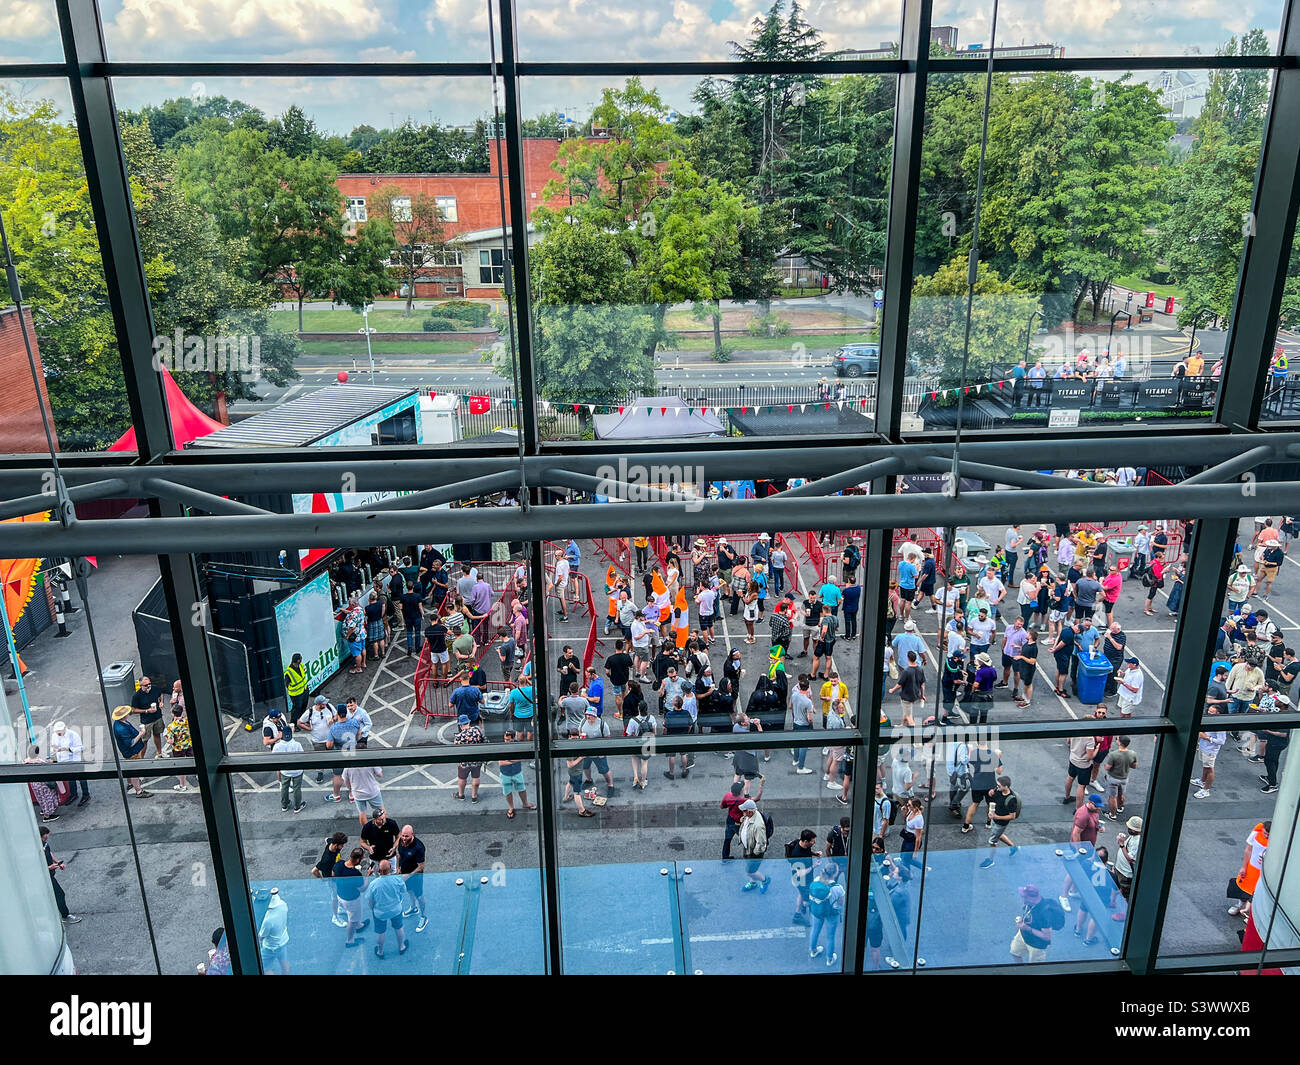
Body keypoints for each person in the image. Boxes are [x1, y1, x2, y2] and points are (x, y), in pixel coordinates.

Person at [1228, 820, 1270, 921]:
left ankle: (1253, 912)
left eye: (1269, 834)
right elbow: (1248, 850)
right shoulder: (1256, 834)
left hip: (1264, 871)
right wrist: (1244, 867)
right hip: (1252, 866)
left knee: (1258, 892)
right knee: (1244, 887)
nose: (1266, 836)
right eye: (1265, 833)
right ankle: (1240, 905)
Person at [367, 860, 409, 959]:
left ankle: (380, 951)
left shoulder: (373, 884)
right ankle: (401, 946)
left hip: (380, 912)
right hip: (395, 909)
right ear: (390, 869)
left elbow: (370, 901)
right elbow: (404, 890)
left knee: (380, 932)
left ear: (379, 871)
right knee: (398, 927)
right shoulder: (397, 879)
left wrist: (373, 908)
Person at [1010, 884, 1061, 964]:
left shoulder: (1044, 913)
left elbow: (1047, 937)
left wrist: (1027, 928)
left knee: (1035, 967)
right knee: (1015, 953)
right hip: (1023, 936)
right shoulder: (1030, 904)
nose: (1022, 897)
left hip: (1036, 945)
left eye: (1023, 896)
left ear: (1030, 898)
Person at [808, 860, 846, 966]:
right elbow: (840, 903)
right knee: (830, 936)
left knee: (815, 930)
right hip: (832, 913)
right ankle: (829, 959)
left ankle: (813, 950)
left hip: (817, 911)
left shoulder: (817, 880)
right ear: (835, 873)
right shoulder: (838, 888)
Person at [41, 826, 81, 924]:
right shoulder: (36, 848)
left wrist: (58, 862)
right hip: (45, 876)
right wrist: (48, 868)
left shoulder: (44, 844)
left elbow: (49, 853)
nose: (46, 840)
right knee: (59, 895)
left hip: (50, 875)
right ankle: (65, 915)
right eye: (45, 838)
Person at [979, 775, 1021, 867]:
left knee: (992, 842)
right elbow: (993, 793)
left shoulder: (1011, 800)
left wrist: (996, 817)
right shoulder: (999, 790)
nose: (996, 787)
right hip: (995, 818)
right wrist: (991, 792)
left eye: (999, 786)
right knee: (998, 834)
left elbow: (1012, 816)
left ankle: (990, 860)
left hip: (1000, 823)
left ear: (1006, 787)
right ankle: (1013, 847)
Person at [111, 705, 151, 798]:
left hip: (129, 751)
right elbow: (130, 743)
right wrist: (141, 734)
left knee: (129, 767)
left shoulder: (120, 722)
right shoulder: (121, 728)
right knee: (134, 771)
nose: (128, 713)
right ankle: (139, 791)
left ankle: (130, 783)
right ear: (123, 716)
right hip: (132, 752)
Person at [395, 824, 430, 933]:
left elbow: (421, 867)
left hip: (416, 876)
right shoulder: (401, 841)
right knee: (410, 891)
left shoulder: (419, 847)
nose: (404, 839)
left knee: (419, 896)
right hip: (404, 873)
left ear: (412, 835)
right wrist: (398, 867)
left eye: (407, 837)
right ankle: (413, 908)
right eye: (403, 836)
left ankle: (424, 916)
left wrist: (408, 875)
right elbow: (398, 855)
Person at [738, 799, 772, 892]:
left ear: (749, 811)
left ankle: (765, 880)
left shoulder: (758, 825)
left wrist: (754, 854)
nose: (742, 812)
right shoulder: (750, 815)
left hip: (753, 852)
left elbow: (761, 843)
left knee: (750, 872)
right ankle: (753, 882)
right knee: (751, 869)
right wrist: (744, 819)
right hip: (748, 848)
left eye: (744, 810)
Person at [272, 725, 305, 814]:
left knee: (284, 787)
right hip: (297, 770)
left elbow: (273, 758)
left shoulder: (277, 746)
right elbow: (302, 756)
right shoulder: (297, 744)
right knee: (297, 788)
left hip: (285, 771)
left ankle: (284, 805)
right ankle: (297, 807)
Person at [130, 675, 166, 756]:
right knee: (144, 740)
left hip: (157, 717)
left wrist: (161, 702)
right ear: (141, 685)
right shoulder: (137, 696)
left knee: (157, 734)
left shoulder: (155, 688)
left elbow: (161, 694)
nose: (149, 686)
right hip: (146, 721)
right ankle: (141, 758)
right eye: (146, 685)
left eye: (149, 683)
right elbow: (133, 710)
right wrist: (147, 710)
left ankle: (159, 753)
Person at [258, 887, 290, 975]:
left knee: (265, 968)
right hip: (283, 941)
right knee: (284, 963)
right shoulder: (283, 905)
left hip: (270, 947)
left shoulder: (268, 920)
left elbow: (261, 937)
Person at [454, 714, 486, 803]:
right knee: (476, 777)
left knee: (462, 778)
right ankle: (474, 797)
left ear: (460, 725)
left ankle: (461, 795)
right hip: (476, 760)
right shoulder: (477, 731)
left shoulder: (458, 737)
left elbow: (456, 750)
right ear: (468, 722)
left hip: (464, 762)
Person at [342, 761, 384, 827]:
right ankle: (384, 829)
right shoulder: (370, 761)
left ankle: (366, 832)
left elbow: (346, 781)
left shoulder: (347, 766)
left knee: (362, 813)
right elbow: (380, 774)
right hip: (372, 792)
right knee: (381, 811)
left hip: (358, 794)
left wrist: (351, 790)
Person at [1114, 817, 1143, 902]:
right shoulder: (1133, 836)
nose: (1128, 829)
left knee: (1125, 895)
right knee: (1117, 888)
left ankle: (1123, 912)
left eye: (1130, 828)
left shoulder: (1138, 841)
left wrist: (1122, 844)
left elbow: (1130, 858)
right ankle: (1114, 904)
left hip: (1125, 873)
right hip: (1120, 868)